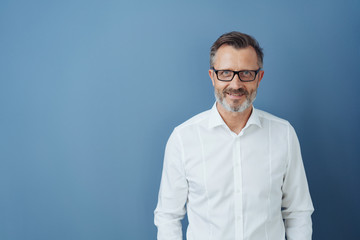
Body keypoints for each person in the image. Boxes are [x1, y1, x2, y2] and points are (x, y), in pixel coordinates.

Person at [154, 31, 314, 240]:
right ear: (213, 77)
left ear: (259, 77)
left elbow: (298, 212)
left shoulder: (283, 134)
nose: (236, 84)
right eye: (226, 73)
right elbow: (168, 216)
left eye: (246, 73)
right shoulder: (183, 139)